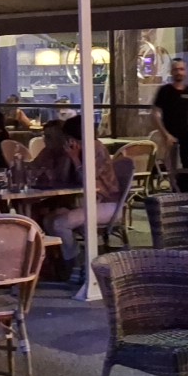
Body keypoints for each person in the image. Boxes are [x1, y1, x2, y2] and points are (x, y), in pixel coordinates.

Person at [48, 116, 129, 285]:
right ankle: (64, 264)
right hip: (88, 203)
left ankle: (76, 264)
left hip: (107, 204)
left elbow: (88, 180)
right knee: (50, 219)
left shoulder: (95, 148)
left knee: (59, 223)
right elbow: (62, 179)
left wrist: (74, 158)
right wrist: (68, 157)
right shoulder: (79, 149)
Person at [151, 59, 188, 174]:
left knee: (187, 166)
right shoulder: (165, 91)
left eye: (181, 69)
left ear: (185, 72)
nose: (179, 72)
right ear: (171, 72)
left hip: (185, 137)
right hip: (168, 137)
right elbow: (155, 114)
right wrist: (165, 134)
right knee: (171, 169)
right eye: (176, 69)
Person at [23, 123, 77, 189]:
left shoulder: (71, 154)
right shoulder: (47, 151)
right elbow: (32, 166)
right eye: (44, 136)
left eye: (48, 137)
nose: (44, 140)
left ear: (60, 138)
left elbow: (62, 179)